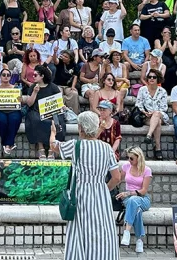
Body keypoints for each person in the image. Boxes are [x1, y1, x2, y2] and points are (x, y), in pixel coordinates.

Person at [48, 111, 120, 260]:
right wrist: (104, 189)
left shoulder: (76, 146)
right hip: (101, 193)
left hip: (81, 194)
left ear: (80, 128)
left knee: (80, 231)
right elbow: (116, 177)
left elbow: (54, 146)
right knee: (102, 231)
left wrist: (53, 133)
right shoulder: (107, 148)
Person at [25, 65, 66, 159]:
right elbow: (29, 104)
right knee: (36, 120)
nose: (33, 77)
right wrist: (35, 92)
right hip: (36, 111)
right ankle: (41, 147)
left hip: (52, 112)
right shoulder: (32, 87)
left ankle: (52, 149)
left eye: (35, 75)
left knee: (57, 121)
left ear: (42, 76)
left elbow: (59, 102)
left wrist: (62, 106)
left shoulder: (53, 87)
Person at [116, 147, 152, 253]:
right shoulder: (126, 166)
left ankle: (126, 231)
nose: (129, 161)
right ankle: (139, 240)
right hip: (128, 199)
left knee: (133, 200)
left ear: (139, 158)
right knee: (137, 209)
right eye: (128, 158)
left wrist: (128, 193)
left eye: (131, 158)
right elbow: (117, 179)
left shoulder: (147, 170)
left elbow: (144, 190)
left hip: (142, 198)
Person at [0, 68, 22, 155]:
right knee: (1, 120)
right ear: (0, 77)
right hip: (0, 111)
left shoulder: (16, 88)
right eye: (4, 75)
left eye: (8, 75)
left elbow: (20, 102)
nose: (6, 77)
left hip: (13, 111)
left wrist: (20, 99)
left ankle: (7, 144)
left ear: (10, 77)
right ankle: (9, 144)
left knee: (14, 119)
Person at [136, 69, 168, 160]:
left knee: (157, 114)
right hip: (147, 116)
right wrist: (144, 112)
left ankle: (149, 135)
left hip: (160, 115)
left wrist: (154, 112)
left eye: (154, 77)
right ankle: (158, 148)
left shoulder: (163, 91)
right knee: (156, 122)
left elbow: (164, 108)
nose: (152, 79)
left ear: (158, 79)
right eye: (150, 77)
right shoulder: (142, 90)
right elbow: (138, 104)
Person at [155, 26, 177, 92]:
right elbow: (160, 52)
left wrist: (169, 43)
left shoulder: (174, 42)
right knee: (165, 72)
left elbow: (173, 52)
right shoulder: (158, 41)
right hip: (162, 62)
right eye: (165, 32)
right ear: (162, 33)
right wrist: (165, 42)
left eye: (169, 33)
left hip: (172, 63)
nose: (166, 34)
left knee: (172, 72)